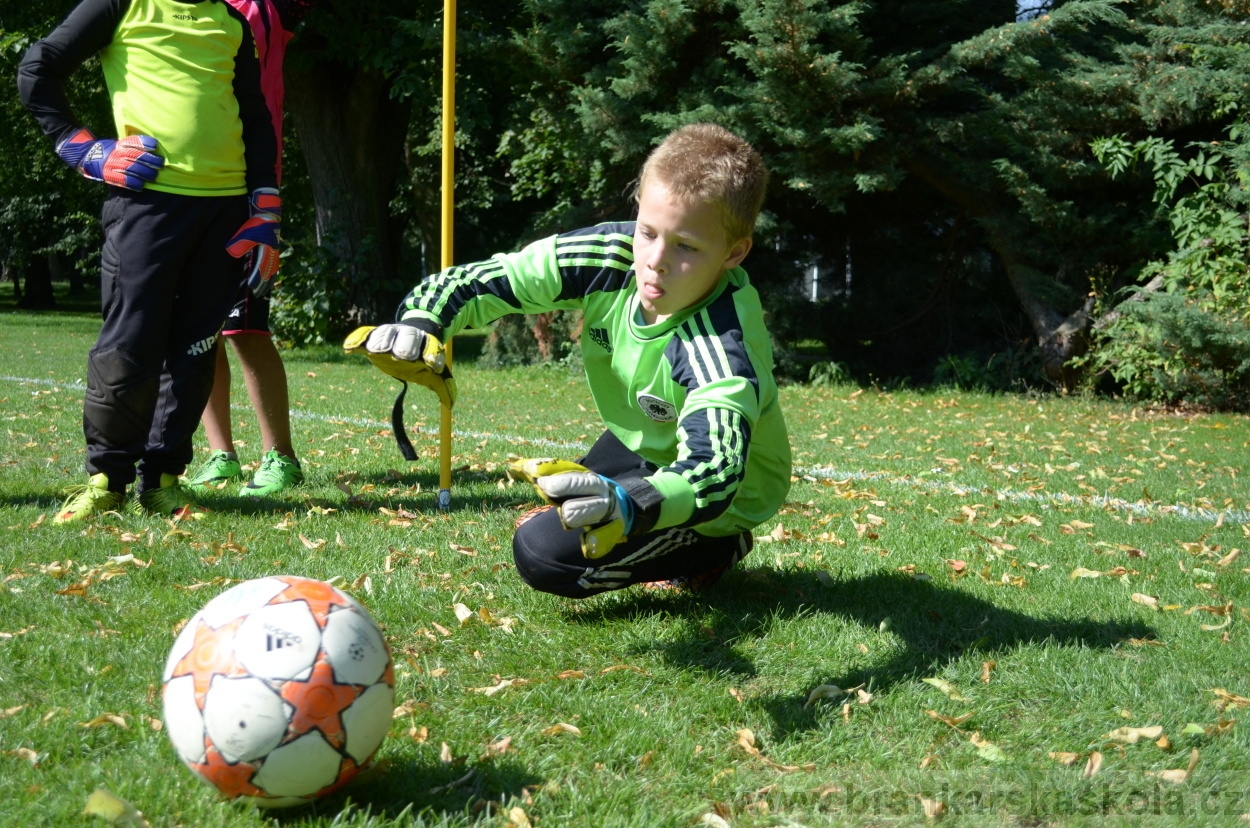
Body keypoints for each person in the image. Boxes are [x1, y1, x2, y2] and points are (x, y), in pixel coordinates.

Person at [348, 123, 792, 597]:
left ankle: (717, 550)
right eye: (647, 232)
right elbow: (489, 279)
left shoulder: (719, 345)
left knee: (540, 552)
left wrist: (631, 503)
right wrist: (421, 322)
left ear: (734, 252)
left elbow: (716, 470)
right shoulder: (609, 256)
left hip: (725, 497)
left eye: (686, 246)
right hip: (645, 432)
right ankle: (630, 495)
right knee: (564, 501)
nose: (655, 260)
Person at [18, 0, 286, 521]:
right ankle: (106, 481)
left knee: (196, 348)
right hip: (146, 205)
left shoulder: (231, 22)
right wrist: (82, 148)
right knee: (129, 343)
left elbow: (255, 117)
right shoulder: (119, 5)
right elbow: (37, 68)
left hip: (226, 214)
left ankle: (163, 481)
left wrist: (265, 209)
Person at [184, 0, 312, 497]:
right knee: (202, 329)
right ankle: (222, 454)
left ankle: (281, 456)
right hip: (192, 187)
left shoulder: (264, 9)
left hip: (250, 190)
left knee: (245, 327)